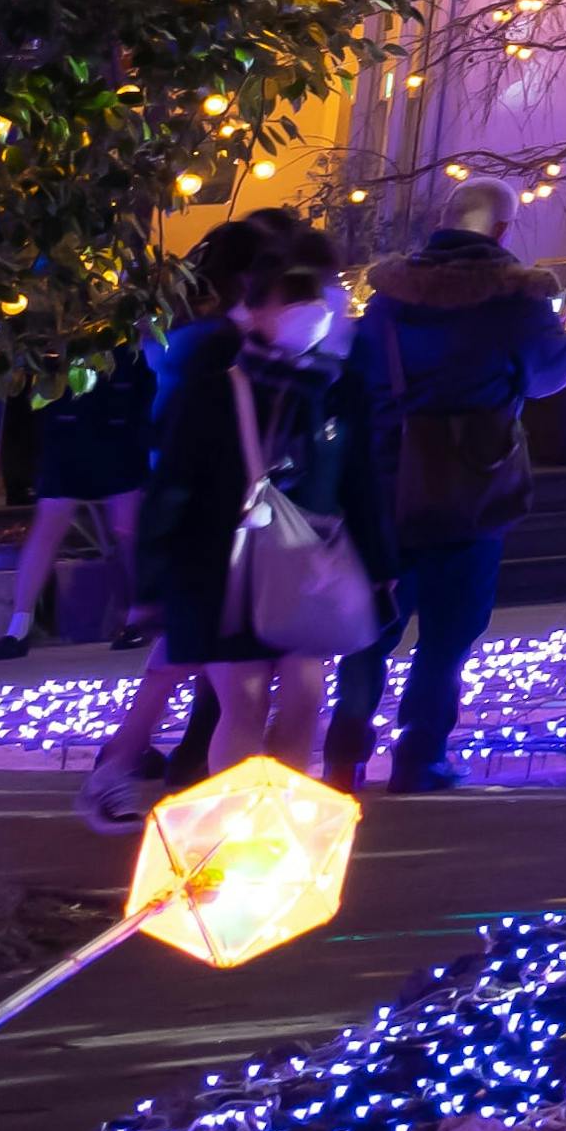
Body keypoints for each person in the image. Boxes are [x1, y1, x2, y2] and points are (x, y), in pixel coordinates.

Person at [129, 214, 372, 809]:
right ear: (255, 306)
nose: (310, 311)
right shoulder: (214, 378)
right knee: (244, 696)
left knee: (305, 692)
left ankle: (277, 819)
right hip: (220, 566)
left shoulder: (333, 385)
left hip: (303, 564)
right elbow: (174, 485)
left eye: (317, 295)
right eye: (294, 297)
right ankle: (237, 820)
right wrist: (152, 582)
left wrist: (380, 561)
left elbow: (360, 480)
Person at [331, 185, 562, 788]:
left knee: (369, 627)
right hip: (473, 485)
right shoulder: (518, 301)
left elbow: (359, 379)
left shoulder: (388, 297)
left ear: (442, 219)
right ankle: (420, 754)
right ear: (503, 230)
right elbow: (549, 377)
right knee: (449, 632)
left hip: (385, 483)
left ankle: (343, 754)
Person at [0, 321, 156, 657]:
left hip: (118, 420)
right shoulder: (63, 319)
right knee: (51, 525)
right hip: (72, 421)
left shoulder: (128, 326)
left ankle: (139, 617)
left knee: (127, 528)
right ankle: (18, 626)